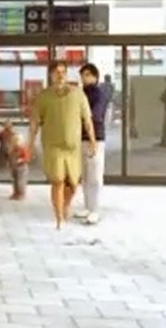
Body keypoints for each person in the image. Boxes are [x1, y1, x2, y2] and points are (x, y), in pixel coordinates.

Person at [29, 60, 97, 229]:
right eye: (56, 72)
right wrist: (30, 144)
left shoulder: (78, 94)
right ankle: (59, 217)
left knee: (73, 184)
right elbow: (35, 123)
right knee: (58, 180)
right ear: (51, 75)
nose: (60, 75)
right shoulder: (43, 96)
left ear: (66, 74)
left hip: (73, 147)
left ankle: (65, 205)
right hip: (53, 146)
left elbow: (87, 120)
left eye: (63, 72)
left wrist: (93, 141)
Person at [76, 63, 108, 225]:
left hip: (95, 138)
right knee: (85, 175)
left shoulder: (99, 94)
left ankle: (95, 210)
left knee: (95, 176)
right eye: (82, 75)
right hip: (81, 138)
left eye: (87, 75)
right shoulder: (81, 93)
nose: (84, 78)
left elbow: (96, 115)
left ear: (95, 76)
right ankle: (87, 207)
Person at [0, 121, 30, 200]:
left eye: (17, 142)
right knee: (15, 181)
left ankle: (21, 193)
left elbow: (27, 157)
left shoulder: (22, 148)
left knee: (20, 181)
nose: (16, 144)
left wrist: (21, 160)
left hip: (21, 167)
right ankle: (15, 193)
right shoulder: (12, 148)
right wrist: (10, 163)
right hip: (14, 167)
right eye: (14, 142)